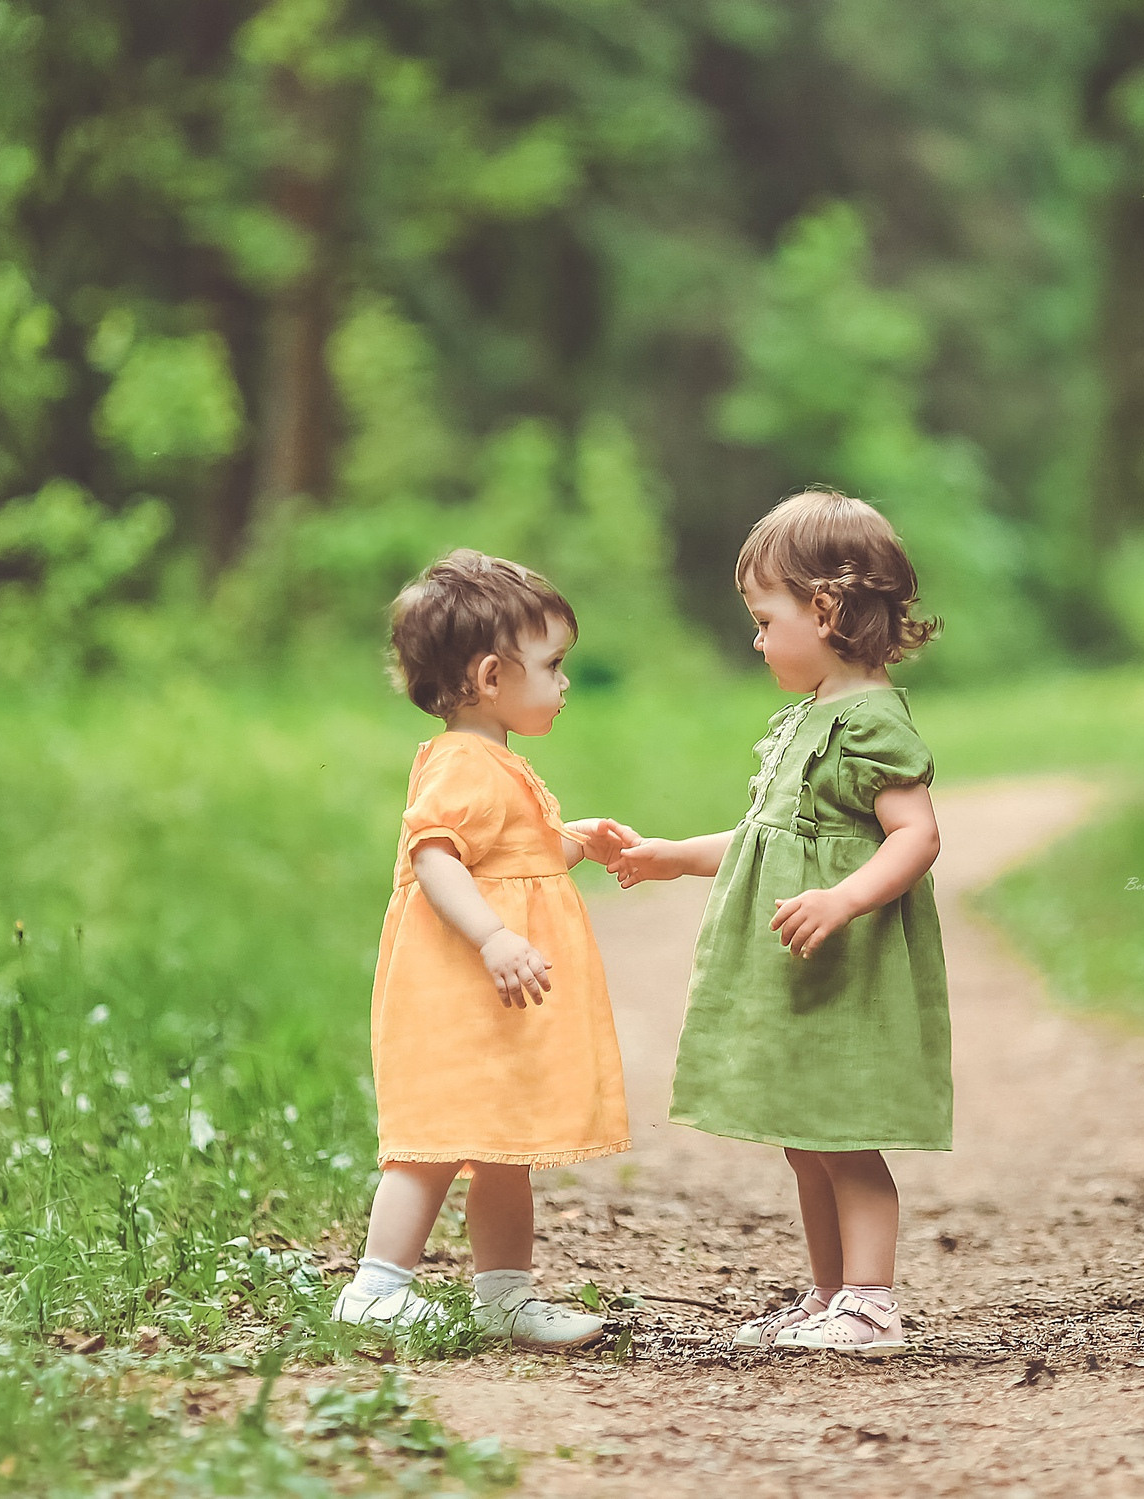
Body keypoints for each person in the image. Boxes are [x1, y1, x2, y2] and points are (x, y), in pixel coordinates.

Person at [615, 489, 947, 1356]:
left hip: (846, 964)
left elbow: (917, 836)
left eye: (765, 619)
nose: (758, 640)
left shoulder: (872, 720)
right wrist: (669, 854)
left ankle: (871, 1303)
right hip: (802, 969)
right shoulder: (810, 716)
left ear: (826, 609)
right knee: (805, 1137)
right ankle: (829, 1293)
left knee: (843, 1137)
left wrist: (845, 898)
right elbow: (768, 836)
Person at [332, 549, 637, 1350]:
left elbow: (512, 860)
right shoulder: (464, 762)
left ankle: (505, 1294)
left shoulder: (492, 760)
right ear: (492, 676)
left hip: (490, 1000)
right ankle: (376, 1287)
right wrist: (496, 935)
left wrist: (574, 840)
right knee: (435, 1139)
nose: (566, 681)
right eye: (555, 664)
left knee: (504, 1145)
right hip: (458, 992)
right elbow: (434, 856)